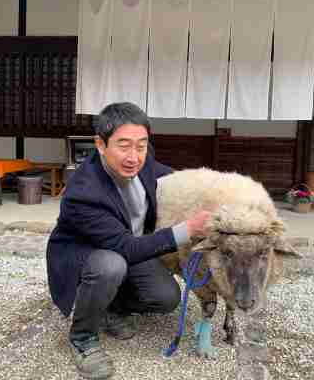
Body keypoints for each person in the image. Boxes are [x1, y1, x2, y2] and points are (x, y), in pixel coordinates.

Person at [46, 102, 212, 380]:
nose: (134, 156)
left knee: (166, 297)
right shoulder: (83, 192)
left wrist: (201, 190)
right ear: (101, 144)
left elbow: (163, 172)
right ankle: (83, 337)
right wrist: (189, 228)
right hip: (89, 254)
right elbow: (124, 247)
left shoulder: (142, 160)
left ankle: (112, 308)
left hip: (127, 246)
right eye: (123, 146)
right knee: (110, 266)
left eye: (141, 145)